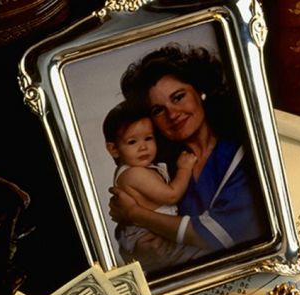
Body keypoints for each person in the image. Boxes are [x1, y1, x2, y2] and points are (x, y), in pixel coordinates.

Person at [109, 43, 268, 272]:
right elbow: (137, 250)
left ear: (200, 91)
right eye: (158, 110)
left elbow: (213, 236)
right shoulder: (162, 169)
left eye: (178, 97)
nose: (172, 114)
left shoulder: (241, 155)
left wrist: (134, 213)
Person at [102, 100, 198, 266]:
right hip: (150, 236)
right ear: (114, 149)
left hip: (152, 231)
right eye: (132, 142)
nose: (143, 147)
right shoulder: (134, 173)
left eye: (148, 138)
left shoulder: (141, 168)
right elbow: (171, 195)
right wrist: (185, 169)